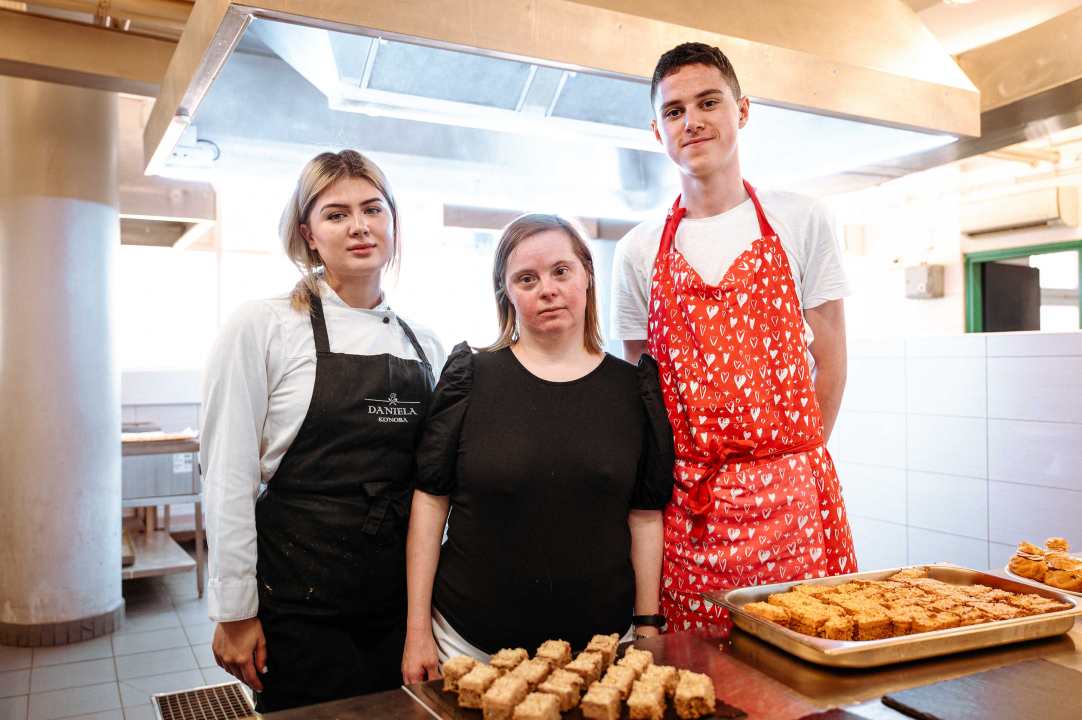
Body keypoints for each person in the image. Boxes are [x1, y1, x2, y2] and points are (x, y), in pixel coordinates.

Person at [610, 43, 858, 633]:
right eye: (674, 111)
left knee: (800, 670)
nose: (691, 121)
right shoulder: (638, 250)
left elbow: (832, 357)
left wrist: (794, 463)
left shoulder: (802, 219)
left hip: (793, 505)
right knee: (698, 681)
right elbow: (642, 391)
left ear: (741, 111)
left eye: (708, 102)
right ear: (657, 131)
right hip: (690, 513)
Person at [201, 150, 445, 711]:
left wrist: (421, 618)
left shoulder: (422, 344)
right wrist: (235, 612)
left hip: (397, 607)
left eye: (373, 209)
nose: (359, 226)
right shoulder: (262, 326)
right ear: (308, 233)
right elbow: (228, 478)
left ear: (392, 223)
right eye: (336, 214)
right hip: (298, 604)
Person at [401, 214, 674, 682]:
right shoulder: (470, 378)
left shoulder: (635, 389)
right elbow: (430, 502)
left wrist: (647, 627)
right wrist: (416, 631)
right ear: (506, 292)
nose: (546, 288)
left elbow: (645, 515)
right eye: (526, 278)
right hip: (468, 647)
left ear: (587, 275)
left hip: (602, 653)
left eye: (561, 271)